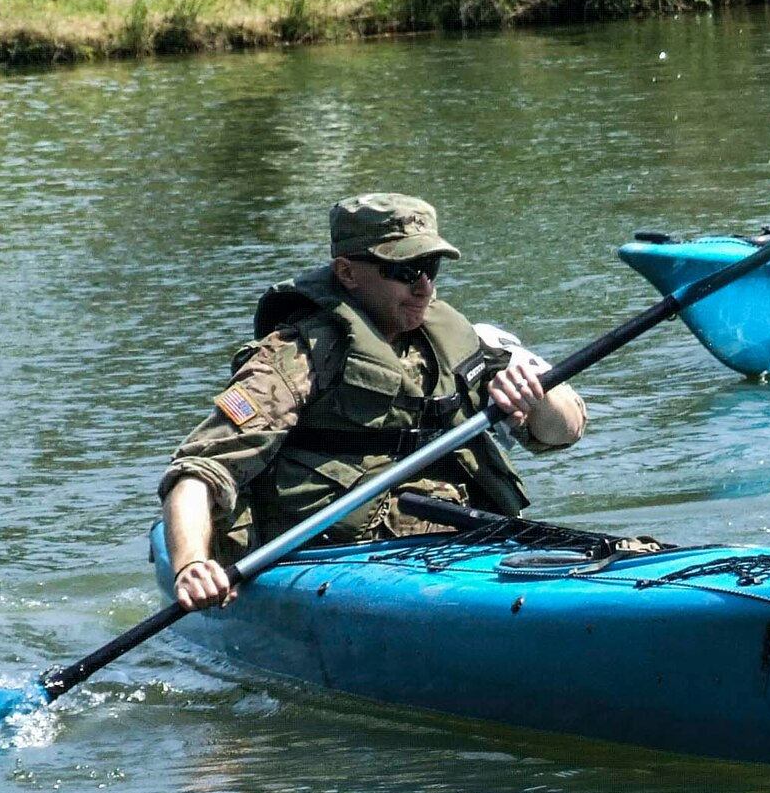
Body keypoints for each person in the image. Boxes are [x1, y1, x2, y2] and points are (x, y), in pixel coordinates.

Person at [161, 193, 588, 611]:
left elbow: (562, 433)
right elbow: (199, 471)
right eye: (404, 271)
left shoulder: (460, 340)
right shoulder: (298, 357)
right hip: (345, 558)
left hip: (466, 545)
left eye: (430, 268)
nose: (423, 287)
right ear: (347, 273)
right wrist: (192, 565)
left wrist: (538, 396)